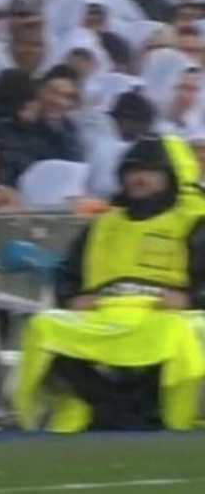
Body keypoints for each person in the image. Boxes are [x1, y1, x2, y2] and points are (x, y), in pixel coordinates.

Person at [15, 136, 205, 432]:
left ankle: (158, 415)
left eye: (150, 171)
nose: (138, 178)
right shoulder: (102, 225)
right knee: (44, 327)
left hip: (164, 314)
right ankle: (114, 408)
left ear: (171, 175)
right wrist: (71, 298)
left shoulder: (195, 221)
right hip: (103, 312)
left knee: (178, 334)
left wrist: (191, 299)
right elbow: (67, 273)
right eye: (132, 171)